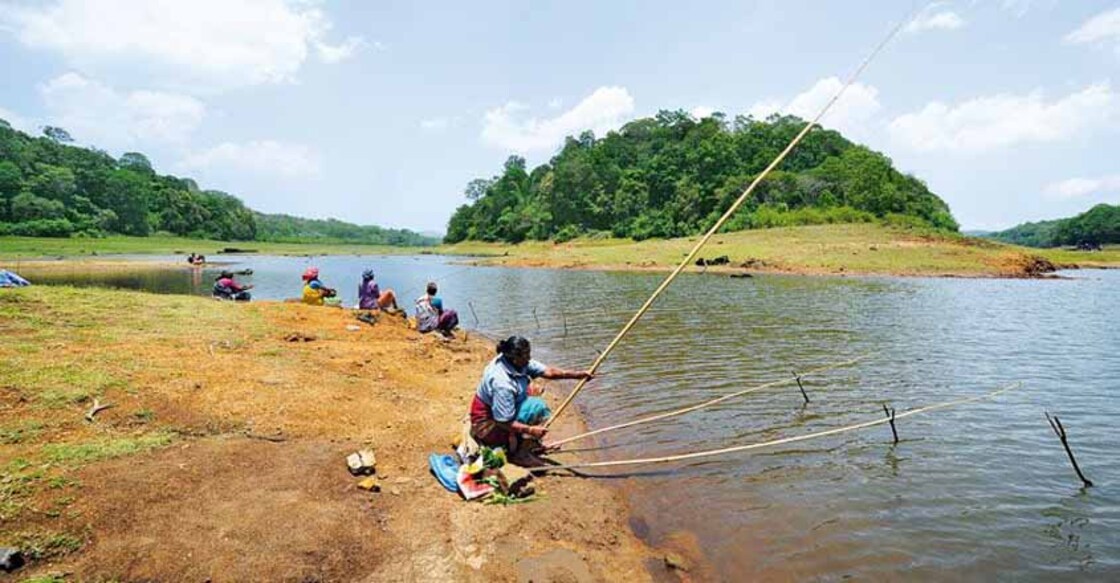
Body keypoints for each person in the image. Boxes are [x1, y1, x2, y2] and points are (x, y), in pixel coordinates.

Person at [469, 336, 592, 456]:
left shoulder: (515, 361)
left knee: (533, 392)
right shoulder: (502, 382)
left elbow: (549, 372)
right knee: (537, 406)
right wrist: (530, 430)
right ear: (515, 358)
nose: (529, 358)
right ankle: (518, 449)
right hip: (487, 425)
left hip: (500, 410)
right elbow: (503, 421)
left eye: (529, 353)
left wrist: (578, 375)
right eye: (526, 355)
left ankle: (528, 439)